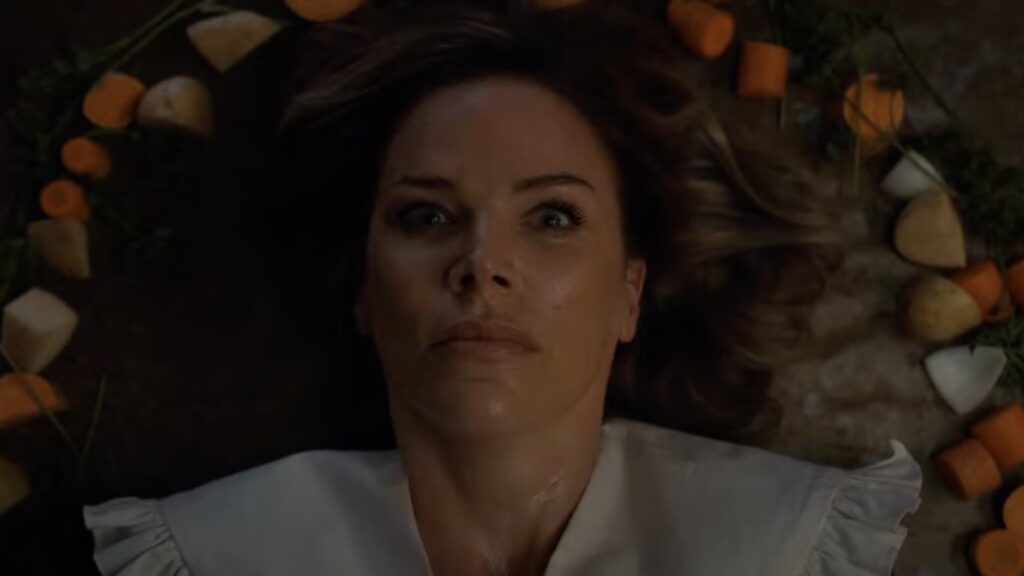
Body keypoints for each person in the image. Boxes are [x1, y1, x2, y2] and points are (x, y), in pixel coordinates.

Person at [82, 2, 923, 575]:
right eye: (425, 216)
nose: (482, 263)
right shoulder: (217, 555)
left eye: (552, 217)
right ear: (365, 290)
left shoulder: (778, 550)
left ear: (629, 292)